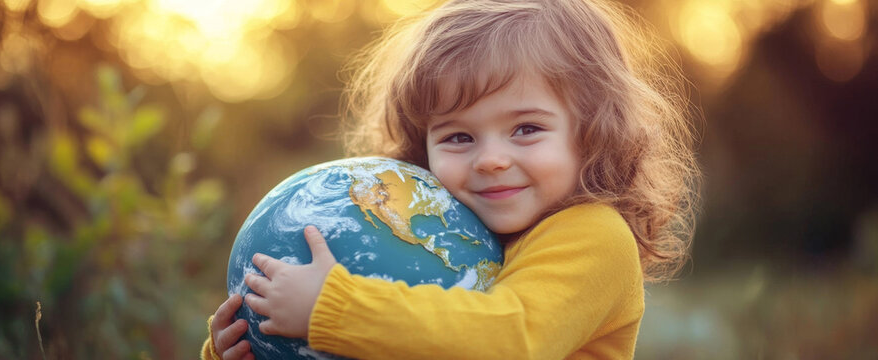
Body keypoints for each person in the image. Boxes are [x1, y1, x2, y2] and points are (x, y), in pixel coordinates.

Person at [202, 0, 700, 358]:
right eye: (458, 137)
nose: (490, 159)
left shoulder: (593, 235)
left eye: (526, 129)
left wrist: (332, 310)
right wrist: (254, 345)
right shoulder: (440, 235)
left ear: (591, 133)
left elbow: (512, 339)